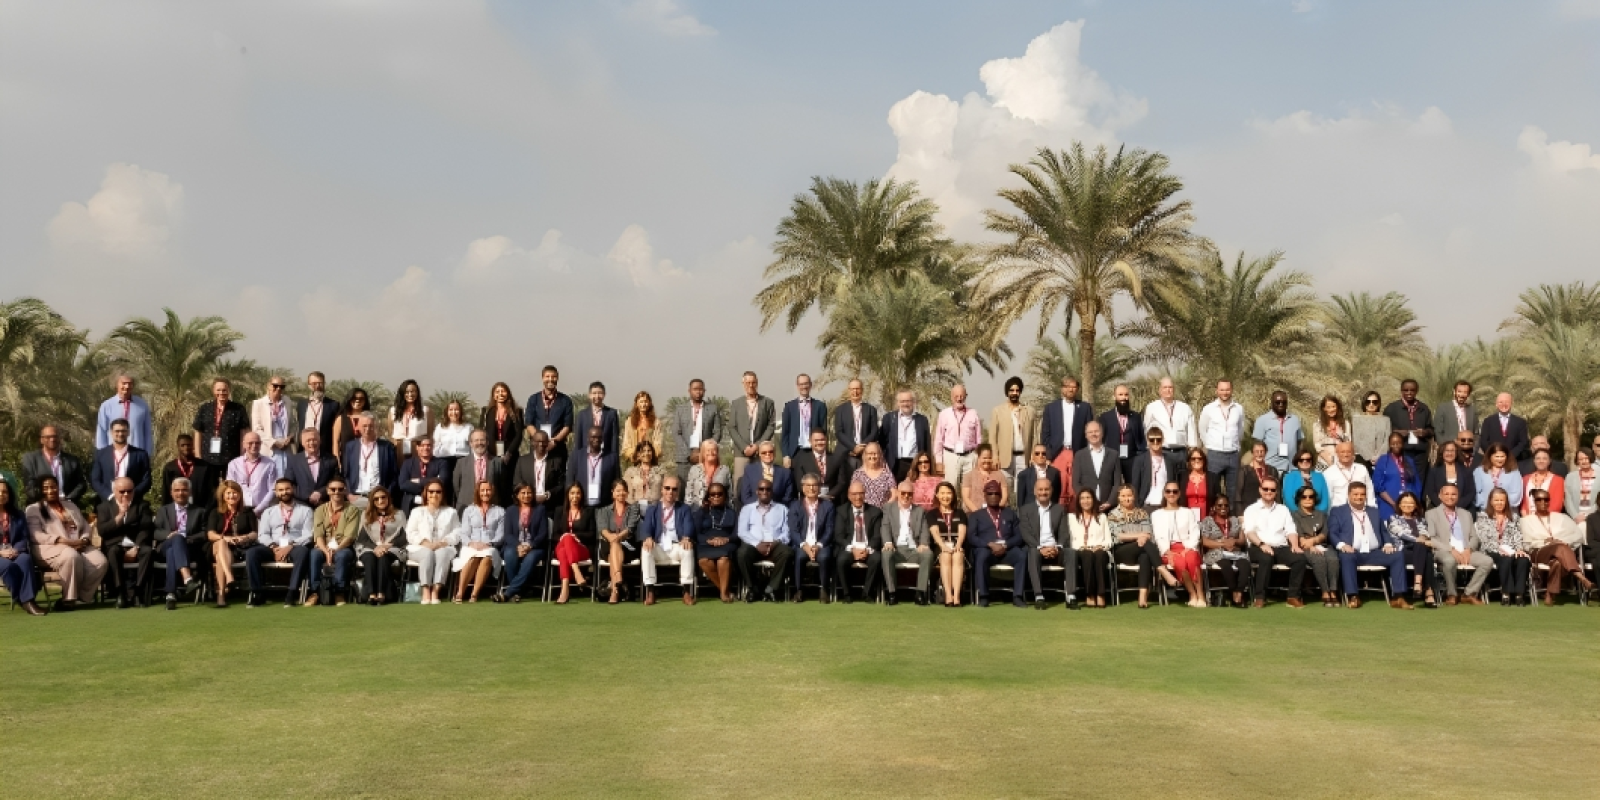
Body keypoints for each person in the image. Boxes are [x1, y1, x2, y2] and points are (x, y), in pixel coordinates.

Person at [26, 474, 106, 610]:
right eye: (46, 488)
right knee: (71, 556)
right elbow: (36, 535)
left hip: (78, 544)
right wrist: (62, 541)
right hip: (49, 547)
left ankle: (81, 597)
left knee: (100, 562)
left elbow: (85, 525)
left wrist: (85, 539)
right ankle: (68, 600)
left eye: (53, 487)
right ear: (40, 490)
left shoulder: (69, 505)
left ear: (58, 487)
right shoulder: (33, 509)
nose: (50, 490)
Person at [1329, 482, 1411, 609]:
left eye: (1362, 494)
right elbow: (1332, 533)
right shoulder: (1338, 511)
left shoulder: (1374, 511)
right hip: (1353, 552)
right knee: (1346, 557)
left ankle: (1398, 597)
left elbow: (1384, 531)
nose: (1359, 497)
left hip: (1374, 552)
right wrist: (1341, 545)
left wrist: (1388, 543)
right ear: (1349, 495)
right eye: (1355, 494)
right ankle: (1353, 596)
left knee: (1397, 555)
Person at [1242, 477, 1307, 608]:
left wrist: (1294, 545)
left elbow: (1291, 530)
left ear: (1276, 492)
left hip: (1280, 546)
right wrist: (1262, 545)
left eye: (1272, 489)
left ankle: (1293, 596)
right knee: (1266, 558)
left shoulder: (1283, 509)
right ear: (1260, 490)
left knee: (1300, 559)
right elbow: (1249, 532)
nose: (1269, 492)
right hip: (1258, 546)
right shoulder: (1251, 509)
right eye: (1265, 489)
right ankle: (1260, 597)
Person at [1519, 489, 1592, 604]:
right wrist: (1545, 542)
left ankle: (1550, 594)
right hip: (1539, 552)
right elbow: (1526, 543)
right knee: (1559, 547)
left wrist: (1564, 541)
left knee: (1557, 562)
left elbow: (1578, 536)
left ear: (1549, 501)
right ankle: (1579, 575)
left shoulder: (1562, 517)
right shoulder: (1525, 521)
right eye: (1539, 499)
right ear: (1534, 501)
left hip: (1561, 552)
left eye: (1546, 499)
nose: (1543, 502)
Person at [1011, 477, 1072, 610]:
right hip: (1036, 548)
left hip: (1055, 548)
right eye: (1040, 489)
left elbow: (1064, 533)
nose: (1043, 492)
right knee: (1032, 552)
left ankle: (1071, 596)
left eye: (1046, 489)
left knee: (1071, 553)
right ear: (1034, 491)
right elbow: (1026, 533)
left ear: (1051, 491)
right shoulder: (1025, 510)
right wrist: (1040, 548)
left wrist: (1058, 547)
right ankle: (1039, 596)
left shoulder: (1059, 509)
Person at [95, 477, 155, 607]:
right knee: (113, 552)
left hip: (136, 544)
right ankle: (120, 593)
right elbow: (102, 531)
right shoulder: (104, 507)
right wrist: (119, 517)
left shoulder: (142, 505)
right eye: (122, 491)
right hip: (115, 545)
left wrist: (137, 547)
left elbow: (146, 528)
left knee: (148, 552)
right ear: (115, 491)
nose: (126, 494)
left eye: (129, 491)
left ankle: (138, 593)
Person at [253, 478, 313, 607]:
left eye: (287, 489)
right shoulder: (268, 512)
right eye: (280, 490)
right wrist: (274, 547)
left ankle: (291, 593)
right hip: (272, 546)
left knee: (303, 552)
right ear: (276, 492)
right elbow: (262, 535)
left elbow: (308, 535)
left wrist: (290, 546)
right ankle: (257, 593)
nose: (284, 492)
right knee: (252, 553)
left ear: (293, 489)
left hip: (295, 545)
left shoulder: (306, 510)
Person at [1425, 484, 1489, 605]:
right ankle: (1451, 594)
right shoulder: (1431, 514)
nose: (1450, 497)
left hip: (1465, 550)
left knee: (1487, 561)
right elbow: (1432, 538)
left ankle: (1469, 593)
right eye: (1447, 494)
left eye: (1453, 494)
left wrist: (1469, 549)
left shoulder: (1466, 514)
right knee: (1449, 561)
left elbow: (1474, 537)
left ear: (1458, 496)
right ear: (1440, 496)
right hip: (1443, 550)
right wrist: (1450, 549)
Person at [638, 476, 697, 605]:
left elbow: (689, 526)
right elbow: (646, 527)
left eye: (674, 489)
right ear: (662, 490)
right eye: (667, 488)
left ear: (678, 492)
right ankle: (650, 591)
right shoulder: (652, 509)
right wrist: (648, 537)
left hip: (676, 545)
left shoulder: (684, 509)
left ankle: (686, 592)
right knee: (646, 549)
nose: (670, 492)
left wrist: (686, 537)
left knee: (688, 548)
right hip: (659, 546)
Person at [152, 477, 207, 610]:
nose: (180, 493)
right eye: (177, 490)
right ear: (171, 493)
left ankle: (170, 594)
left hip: (189, 547)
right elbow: (155, 532)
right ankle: (187, 579)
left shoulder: (199, 511)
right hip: (165, 545)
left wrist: (186, 538)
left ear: (190, 492)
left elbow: (205, 533)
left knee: (174, 549)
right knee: (175, 541)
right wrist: (167, 535)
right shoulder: (163, 510)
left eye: (184, 490)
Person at [1108, 485, 1164, 608]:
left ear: (1134, 497)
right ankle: (1162, 570)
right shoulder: (1113, 514)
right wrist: (1139, 535)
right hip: (1122, 551)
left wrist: (1142, 537)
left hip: (1141, 548)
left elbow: (1148, 533)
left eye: (1129, 495)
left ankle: (1142, 596)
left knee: (1145, 556)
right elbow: (1119, 536)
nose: (1127, 499)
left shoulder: (1142, 513)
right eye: (1123, 496)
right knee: (1146, 545)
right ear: (1118, 498)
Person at [307, 478, 361, 605]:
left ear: (345, 491)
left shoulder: (353, 510)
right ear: (327, 491)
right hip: (323, 546)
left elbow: (350, 536)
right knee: (314, 554)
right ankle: (314, 592)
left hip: (344, 546)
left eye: (340, 489)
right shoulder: (320, 510)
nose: (337, 492)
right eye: (333, 489)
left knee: (342, 555)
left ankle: (339, 592)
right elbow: (318, 534)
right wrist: (326, 551)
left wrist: (336, 550)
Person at [203, 480, 258, 607]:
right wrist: (225, 538)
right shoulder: (216, 512)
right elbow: (210, 534)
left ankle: (221, 597)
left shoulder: (248, 512)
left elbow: (255, 533)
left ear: (240, 494)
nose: (232, 496)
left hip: (240, 548)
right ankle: (229, 577)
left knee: (220, 559)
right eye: (228, 493)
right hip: (218, 546)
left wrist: (244, 537)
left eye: (235, 493)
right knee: (221, 543)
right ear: (223, 495)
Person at [736, 478, 792, 603]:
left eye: (768, 489)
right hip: (754, 545)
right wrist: (757, 544)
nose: (764, 491)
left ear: (772, 492)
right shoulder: (747, 509)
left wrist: (775, 542)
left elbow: (786, 532)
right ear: (757, 491)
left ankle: (770, 589)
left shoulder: (782, 509)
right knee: (742, 553)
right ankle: (752, 588)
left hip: (775, 544)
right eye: (761, 489)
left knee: (788, 553)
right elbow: (742, 532)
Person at [879, 480, 933, 606]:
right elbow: (885, 526)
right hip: (896, 548)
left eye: (909, 494)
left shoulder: (919, 511)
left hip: (914, 549)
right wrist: (887, 542)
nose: (906, 496)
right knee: (886, 555)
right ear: (898, 493)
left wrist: (924, 543)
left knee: (928, 554)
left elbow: (925, 529)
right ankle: (892, 594)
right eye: (903, 493)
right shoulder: (888, 508)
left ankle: (920, 594)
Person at [404, 479, 458, 605]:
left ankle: (436, 590)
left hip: (443, 546)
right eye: (431, 491)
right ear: (426, 493)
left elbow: (457, 532)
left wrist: (443, 543)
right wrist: (425, 543)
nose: (434, 494)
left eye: (438, 491)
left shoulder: (451, 512)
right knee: (427, 553)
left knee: (442, 554)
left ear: (442, 494)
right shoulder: (416, 511)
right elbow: (410, 532)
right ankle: (425, 590)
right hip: (419, 547)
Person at [832, 481, 886, 604]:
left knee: (876, 559)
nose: (858, 497)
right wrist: (853, 549)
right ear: (849, 495)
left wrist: (867, 549)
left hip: (868, 548)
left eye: (861, 493)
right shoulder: (841, 511)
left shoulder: (875, 512)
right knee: (841, 560)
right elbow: (839, 536)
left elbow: (877, 537)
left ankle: (867, 593)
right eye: (854, 494)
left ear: (865, 494)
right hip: (850, 548)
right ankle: (847, 594)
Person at [496, 484, 549, 604]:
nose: (526, 495)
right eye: (523, 493)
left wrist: (530, 546)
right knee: (509, 554)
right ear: (517, 495)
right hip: (515, 545)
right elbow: (508, 534)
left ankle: (509, 593)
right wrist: (518, 546)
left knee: (530, 558)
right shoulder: (510, 510)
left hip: (535, 546)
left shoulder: (540, 509)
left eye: (529, 492)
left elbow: (543, 533)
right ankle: (517, 592)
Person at [1476, 487, 1529, 605]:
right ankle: (1506, 593)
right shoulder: (1482, 517)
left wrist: (1519, 549)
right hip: (1491, 549)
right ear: (1491, 501)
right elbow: (1484, 538)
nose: (1499, 503)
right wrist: (1500, 549)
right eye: (1496, 500)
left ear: (1506, 502)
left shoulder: (1514, 517)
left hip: (1511, 549)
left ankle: (1519, 595)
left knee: (1523, 560)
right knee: (1506, 560)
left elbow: (1517, 535)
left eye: (1502, 500)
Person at [452, 481, 503, 603]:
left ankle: (474, 594)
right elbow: (464, 533)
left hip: (489, 545)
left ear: (492, 491)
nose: (485, 493)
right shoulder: (469, 510)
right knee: (472, 556)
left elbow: (501, 535)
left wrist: (488, 544)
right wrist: (472, 543)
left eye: (488, 490)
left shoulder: (500, 511)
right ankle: (460, 593)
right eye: (482, 490)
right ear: (478, 492)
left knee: (487, 556)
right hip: (471, 545)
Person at [355, 485, 406, 605]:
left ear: (388, 498)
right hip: (369, 547)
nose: (380, 501)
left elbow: (404, 537)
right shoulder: (366, 515)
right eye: (376, 499)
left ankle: (382, 593)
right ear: (372, 501)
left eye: (383, 497)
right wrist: (376, 548)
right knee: (369, 558)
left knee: (383, 558)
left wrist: (387, 546)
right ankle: (371, 594)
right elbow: (362, 538)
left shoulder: (399, 514)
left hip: (392, 547)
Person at [1197, 380, 1246, 506]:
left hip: (1233, 454)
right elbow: (1202, 428)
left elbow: (1240, 429)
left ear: (1232, 390)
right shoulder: (1209, 409)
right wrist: (1209, 445)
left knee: (1232, 490)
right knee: (1213, 489)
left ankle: (1230, 519)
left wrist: (1236, 445)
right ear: (1217, 391)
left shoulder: (1238, 409)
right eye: (1222, 390)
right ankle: (1213, 517)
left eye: (1227, 389)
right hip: (1215, 454)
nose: (1225, 392)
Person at [788, 473, 835, 602]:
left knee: (824, 557)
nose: (812, 488)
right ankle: (799, 591)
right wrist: (804, 546)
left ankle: (824, 590)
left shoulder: (828, 506)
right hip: (802, 544)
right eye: (808, 485)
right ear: (803, 488)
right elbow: (793, 530)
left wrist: (818, 545)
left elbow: (829, 529)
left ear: (819, 487)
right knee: (799, 557)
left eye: (815, 485)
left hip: (821, 544)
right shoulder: (795, 506)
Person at [1386, 492, 1437, 607]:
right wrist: (1419, 540)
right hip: (1403, 551)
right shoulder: (1393, 518)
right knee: (1423, 549)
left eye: (1411, 503)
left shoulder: (1421, 520)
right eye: (1404, 502)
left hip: (1419, 552)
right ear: (1399, 505)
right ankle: (1428, 592)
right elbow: (1401, 533)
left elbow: (1425, 533)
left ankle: (1419, 584)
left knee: (1426, 553)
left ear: (1415, 505)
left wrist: (1422, 539)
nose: (1407, 505)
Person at [1199, 495, 1249, 608]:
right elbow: (1205, 541)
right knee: (1226, 565)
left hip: (1234, 552)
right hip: (1216, 552)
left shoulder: (1234, 520)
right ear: (1214, 507)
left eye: (1226, 505)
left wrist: (1234, 541)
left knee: (1245, 564)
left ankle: (1239, 592)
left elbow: (1242, 540)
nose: (1223, 507)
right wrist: (1222, 544)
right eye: (1220, 505)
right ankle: (1233, 594)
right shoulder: (1207, 521)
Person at [932, 384, 982, 496]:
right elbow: (938, 439)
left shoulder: (973, 413)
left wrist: (978, 458)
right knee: (950, 489)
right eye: (956, 396)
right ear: (951, 397)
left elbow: (979, 439)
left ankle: (968, 513)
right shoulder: (944, 414)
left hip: (970, 457)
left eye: (962, 396)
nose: (959, 399)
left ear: (966, 396)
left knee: (970, 490)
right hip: (951, 456)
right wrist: (939, 461)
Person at [1292, 486, 1338, 607]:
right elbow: (1299, 535)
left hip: (1322, 545)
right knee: (1319, 559)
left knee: (1333, 559)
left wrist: (1314, 540)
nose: (1308, 499)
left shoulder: (1321, 515)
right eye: (1304, 497)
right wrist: (1309, 545)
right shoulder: (1294, 515)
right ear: (1299, 499)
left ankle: (1333, 591)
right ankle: (1325, 591)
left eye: (1311, 496)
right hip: (1305, 547)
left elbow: (1325, 533)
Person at [594, 480, 638, 604]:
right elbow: (602, 530)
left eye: (624, 490)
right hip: (607, 544)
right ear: (613, 493)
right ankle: (617, 579)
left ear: (627, 493)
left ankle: (614, 591)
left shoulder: (633, 508)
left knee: (615, 545)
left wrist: (617, 537)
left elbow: (630, 528)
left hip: (627, 546)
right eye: (618, 490)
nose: (621, 493)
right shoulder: (603, 511)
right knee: (613, 545)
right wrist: (612, 538)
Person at [192, 378, 251, 471]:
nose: (221, 393)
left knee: (230, 485)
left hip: (231, 457)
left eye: (224, 390)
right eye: (218, 390)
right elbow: (198, 431)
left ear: (229, 390)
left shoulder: (238, 409)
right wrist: (198, 456)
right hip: (207, 457)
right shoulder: (205, 408)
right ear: (213, 391)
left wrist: (242, 456)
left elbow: (244, 432)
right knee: (210, 485)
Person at [671, 378, 723, 479]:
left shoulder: (712, 409)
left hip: (706, 457)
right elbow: (676, 433)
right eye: (695, 389)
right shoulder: (680, 409)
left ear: (704, 391)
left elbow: (717, 432)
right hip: (684, 458)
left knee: (705, 489)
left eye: (700, 389)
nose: (698, 392)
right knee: (684, 490)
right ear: (689, 391)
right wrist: (689, 454)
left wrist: (705, 451)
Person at [343, 412, 399, 506]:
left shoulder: (387, 447)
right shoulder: (350, 447)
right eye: (364, 426)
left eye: (371, 426)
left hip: (379, 499)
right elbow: (345, 474)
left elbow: (394, 475)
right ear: (358, 427)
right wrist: (349, 495)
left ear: (376, 427)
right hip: (356, 498)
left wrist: (387, 494)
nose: (367, 429)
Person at [90, 417, 152, 502]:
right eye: (117, 431)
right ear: (111, 433)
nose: (120, 434)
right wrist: (109, 495)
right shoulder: (101, 454)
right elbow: (95, 480)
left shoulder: (140, 455)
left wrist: (131, 494)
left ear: (128, 432)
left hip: (133, 502)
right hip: (108, 502)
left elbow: (146, 480)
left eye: (123, 431)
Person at [22, 426, 87, 505]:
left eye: (55, 436)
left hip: (67, 505)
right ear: (41, 440)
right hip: (40, 506)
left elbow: (81, 484)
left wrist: (69, 499)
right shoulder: (30, 459)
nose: (52, 439)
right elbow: (29, 486)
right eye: (48, 437)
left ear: (59, 439)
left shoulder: (72, 460)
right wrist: (47, 501)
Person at [553, 484, 596, 604]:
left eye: (578, 493)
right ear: (567, 495)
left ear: (582, 495)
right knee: (564, 543)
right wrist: (565, 536)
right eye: (572, 493)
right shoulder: (559, 511)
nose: (575, 496)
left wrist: (576, 536)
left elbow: (592, 534)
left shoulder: (588, 511)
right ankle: (576, 571)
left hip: (581, 548)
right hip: (562, 545)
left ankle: (564, 590)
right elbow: (554, 535)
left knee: (565, 546)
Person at [1096, 385, 1146, 484]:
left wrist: (1140, 455)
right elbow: (1100, 440)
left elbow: (1141, 438)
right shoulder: (1105, 417)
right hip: (1112, 459)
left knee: (1133, 487)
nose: (1124, 397)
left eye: (1126, 394)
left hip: (1132, 459)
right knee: (1113, 487)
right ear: (1114, 397)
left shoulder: (1136, 417)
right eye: (1120, 395)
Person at [928, 482, 967, 607]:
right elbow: (935, 532)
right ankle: (948, 596)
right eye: (943, 493)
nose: (946, 496)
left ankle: (957, 597)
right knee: (945, 556)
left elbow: (962, 532)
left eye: (949, 493)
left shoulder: (960, 513)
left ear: (954, 495)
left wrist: (958, 545)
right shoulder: (932, 514)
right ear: (937, 495)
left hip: (956, 545)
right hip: (940, 547)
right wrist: (943, 546)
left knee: (957, 556)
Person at [878, 389, 931, 482]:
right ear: (898, 403)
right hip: (894, 464)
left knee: (914, 492)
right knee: (894, 493)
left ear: (914, 402)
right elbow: (882, 441)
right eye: (902, 401)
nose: (905, 404)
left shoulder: (922, 420)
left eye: (908, 401)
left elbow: (927, 445)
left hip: (915, 464)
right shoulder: (889, 418)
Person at [990, 376, 1036, 480]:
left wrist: (1033, 455)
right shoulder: (998, 411)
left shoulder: (1029, 411)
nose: (1014, 393)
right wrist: (995, 456)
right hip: (1004, 459)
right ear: (1007, 392)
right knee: (1005, 490)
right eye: (1011, 390)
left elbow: (1034, 436)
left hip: (1024, 458)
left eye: (1017, 390)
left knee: (1021, 491)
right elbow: (993, 437)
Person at [250, 376, 298, 472]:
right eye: (275, 386)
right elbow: (257, 429)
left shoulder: (287, 402)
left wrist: (290, 436)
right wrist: (274, 442)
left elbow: (293, 424)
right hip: (268, 448)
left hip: (285, 448)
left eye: (282, 386)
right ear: (268, 386)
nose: (278, 388)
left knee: (285, 480)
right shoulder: (259, 404)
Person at [525, 366, 573, 459]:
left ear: (557, 378)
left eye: (553, 376)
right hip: (536, 448)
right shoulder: (533, 399)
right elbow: (529, 423)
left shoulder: (566, 400)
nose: (550, 379)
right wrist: (540, 440)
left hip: (558, 449)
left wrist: (555, 441)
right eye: (547, 376)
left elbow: (567, 426)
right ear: (542, 378)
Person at [96, 373, 153, 452]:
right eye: (124, 383)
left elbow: (147, 433)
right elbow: (101, 433)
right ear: (116, 384)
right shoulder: (106, 406)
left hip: (136, 457)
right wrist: (102, 457)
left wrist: (147, 455)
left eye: (130, 383)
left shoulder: (142, 405)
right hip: (113, 458)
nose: (127, 386)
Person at [832, 378, 881, 470]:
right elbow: (839, 432)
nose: (855, 391)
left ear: (862, 390)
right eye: (852, 389)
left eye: (858, 389)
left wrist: (862, 446)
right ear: (849, 391)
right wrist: (853, 447)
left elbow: (874, 431)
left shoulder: (871, 409)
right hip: (845, 452)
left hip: (866, 453)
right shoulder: (840, 410)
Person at [1372, 432, 1422, 523]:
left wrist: (1415, 503)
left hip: (1408, 506)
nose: (1396, 445)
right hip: (1388, 505)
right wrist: (1394, 504)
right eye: (1393, 443)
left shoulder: (1409, 460)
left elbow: (1416, 484)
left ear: (1402, 444)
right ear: (1389, 444)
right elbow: (1378, 485)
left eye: (1398, 443)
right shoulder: (1383, 460)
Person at [1072, 421, 1121, 513]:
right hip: (1086, 508)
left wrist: (1110, 502)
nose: (1093, 434)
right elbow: (1076, 483)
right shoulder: (1079, 455)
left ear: (1102, 433)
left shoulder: (1113, 454)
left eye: (1096, 431)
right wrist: (1085, 501)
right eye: (1090, 432)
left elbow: (1117, 482)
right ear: (1086, 435)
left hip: (1109, 508)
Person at [1383, 379, 1434, 468]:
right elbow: (1384, 430)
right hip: (1400, 451)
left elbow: (1431, 430)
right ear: (1401, 391)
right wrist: (1397, 433)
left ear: (1417, 391)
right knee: (1402, 479)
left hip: (1420, 453)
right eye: (1406, 390)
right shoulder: (1391, 408)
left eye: (1412, 390)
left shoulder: (1423, 408)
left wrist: (1424, 432)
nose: (1409, 393)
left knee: (1419, 481)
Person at [512, 430, 564, 516]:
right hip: (527, 507)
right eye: (538, 441)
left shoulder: (557, 461)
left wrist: (548, 495)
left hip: (549, 508)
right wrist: (529, 496)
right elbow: (516, 483)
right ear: (532, 442)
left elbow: (561, 484)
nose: (541, 444)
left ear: (548, 443)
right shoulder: (522, 461)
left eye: (544, 442)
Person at [568, 427, 621, 510]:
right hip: (582, 506)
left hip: (604, 506)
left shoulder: (612, 457)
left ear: (602, 439)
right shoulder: (577, 456)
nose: (596, 439)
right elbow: (570, 480)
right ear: (588, 438)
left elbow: (617, 482)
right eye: (593, 437)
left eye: (599, 437)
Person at [780, 374, 827, 466]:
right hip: (795, 451)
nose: (804, 387)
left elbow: (824, 431)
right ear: (797, 386)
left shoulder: (819, 406)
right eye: (801, 384)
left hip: (814, 450)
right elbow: (785, 433)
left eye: (806, 384)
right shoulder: (789, 407)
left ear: (810, 385)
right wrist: (785, 455)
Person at [227, 432, 279, 516]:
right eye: (250, 443)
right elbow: (230, 488)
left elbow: (272, 489)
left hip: (262, 511)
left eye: (257, 443)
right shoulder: (234, 464)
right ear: (243, 444)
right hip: (240, 510)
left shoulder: (270, 464)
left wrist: (259, 509)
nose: (254, 445)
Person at [1252, 390, 1304, 473]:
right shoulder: (1262, 420)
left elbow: (1299, 442)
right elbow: (1257, 445)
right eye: (1278, 402)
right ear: (1271, 403)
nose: (1281, 404)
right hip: (1270, 466)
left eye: (1284, 402)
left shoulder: (1295, 419)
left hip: (1291, 467)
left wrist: (1300, 461)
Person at [451, 430, 504, 510]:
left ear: (487, 442)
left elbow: (502, 486)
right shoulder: (461, 463)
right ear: (470, 444)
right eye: (476, 440)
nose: (479, 443)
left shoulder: (497, 462)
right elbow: (456, 486)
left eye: (482, 440)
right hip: (466, 507)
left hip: (491, 508)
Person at [395, 435, 450, 512]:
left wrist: (419, 481)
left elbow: (442, 482)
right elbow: (403, 484)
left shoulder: (442, 463)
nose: (425, 448)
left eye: (428, 445)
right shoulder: (407, 463)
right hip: (411, 504)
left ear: (432, 447)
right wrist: (432, 484)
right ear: (417, 447)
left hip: (435, 503)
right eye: (422, 445)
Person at [1142, 376, 1195, 456]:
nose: (1168, 390)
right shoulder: (1151, 407)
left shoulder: (1185, 408)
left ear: (1174, 389)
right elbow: (1146, 430)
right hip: (1161, 451)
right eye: (1165, 387)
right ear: (1160, 390)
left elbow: (1192, 432)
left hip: (1181, 452)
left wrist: (1192, 450)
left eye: (1170, 387)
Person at [791, 430, 849, 502]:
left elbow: (842, 482)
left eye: (822, 440)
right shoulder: (801, 460)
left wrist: (829, 495)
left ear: (826, 440)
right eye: (816, 440)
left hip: (832, 501)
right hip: (809, 501)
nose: (819, 442)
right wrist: (814, 495)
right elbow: (799, 484)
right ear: (810, 441)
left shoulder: (836, 458)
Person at [161, 434, 216, 508]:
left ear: (192, 445)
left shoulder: (204, 466)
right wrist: (166, 511)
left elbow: (210, 491)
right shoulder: (170, 468)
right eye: (182, 445)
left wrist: (207, 510)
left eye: (188, 445)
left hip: (200, 509)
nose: (186, 448)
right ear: (178, 446)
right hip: (176, 510)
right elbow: (166, 491)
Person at [1130, 429, 1180, 511]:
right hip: (1146, 504)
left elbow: (1175, 482)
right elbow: (1135, 485)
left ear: (1163, 440)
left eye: (1159, 439)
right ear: (1148, 441)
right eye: (1152, 440)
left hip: (1166, 504)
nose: (1155, 442)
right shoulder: (1139, 460)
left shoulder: (1170, 460)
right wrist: (1136, 506)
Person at [286, 429, 336, 509]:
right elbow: (289, 484)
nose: (312, 443)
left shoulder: (331, 459)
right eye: (308, 440)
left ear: (320, 441)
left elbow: (335, 481)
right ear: (302, 443)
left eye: (314, 440)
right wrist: (308, 496)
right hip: (301, 506)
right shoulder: (294, 460)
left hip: (325, 505)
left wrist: (320, 493)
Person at [1478, 392, 1531, 463]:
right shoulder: (1488, 421)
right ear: (1496, 404)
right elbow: (1483, 441)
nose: (1504, 404)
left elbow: (1523, 442)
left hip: (1514, 461)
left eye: (1507, 402)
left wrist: (1511, 455)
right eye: (1500, 402)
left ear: (1511, 403)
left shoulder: (1520, 422)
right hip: (1493, 461)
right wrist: (1494, 455)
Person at [296, 372, 341, 454]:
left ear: (324, 384)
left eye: (320, 383)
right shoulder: (301, 404)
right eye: (314, 384)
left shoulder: (333, 405)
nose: (317, 386)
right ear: (309, 385)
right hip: (304, 450)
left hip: (324, 450)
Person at [741, 441, 797, 506]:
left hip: (777, 512)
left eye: (770, 452)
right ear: (759, 454)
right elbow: (745, 497)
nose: (767, 454)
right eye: (764, 453)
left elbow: (788, 497)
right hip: (755, 511)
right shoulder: (749, 470)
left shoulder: (785, 473)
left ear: (775, 453)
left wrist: (775, 508)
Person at [574, 382, 621, 459]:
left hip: (606, 455)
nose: (597, 396)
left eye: (600, 393)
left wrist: (614, 458)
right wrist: (577, 459)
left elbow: (614, 439)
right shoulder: (582, 415)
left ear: (604, 394)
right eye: (594, 393)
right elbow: (578, 440)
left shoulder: (611, 413)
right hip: (586, 456)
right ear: (589, 395)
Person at [389, 380, 432, 461]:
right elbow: (391, 432)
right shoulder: (393, 411)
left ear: (417, 393)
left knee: (416, 472)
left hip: (417, 448)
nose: (410, 394)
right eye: (407, 392)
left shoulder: (425, 410)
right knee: (400, 472)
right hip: (399, 448)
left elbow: (430, 434)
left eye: (413, 391)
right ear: (402, 393)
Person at [479, 382, 521, 464]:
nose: (500, 394)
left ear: (508, 393)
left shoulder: (516, 412)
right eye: (497, 392)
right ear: (493, 395)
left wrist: (509, 453)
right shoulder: (486, 411)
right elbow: (481, 432)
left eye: (503, 391)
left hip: (510, 454)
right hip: (490, 454)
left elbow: (518, 434)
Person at [621, 391, 665, 469]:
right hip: (634, 461)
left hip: (651, 461)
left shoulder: (656, 422)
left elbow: (658, 444)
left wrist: (648, 455)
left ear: (649, 403)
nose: (643, 404)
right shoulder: (629, 422)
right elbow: (626, 444)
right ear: (637, 404)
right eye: (641, 402)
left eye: (645, 402)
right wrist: (635, 455)